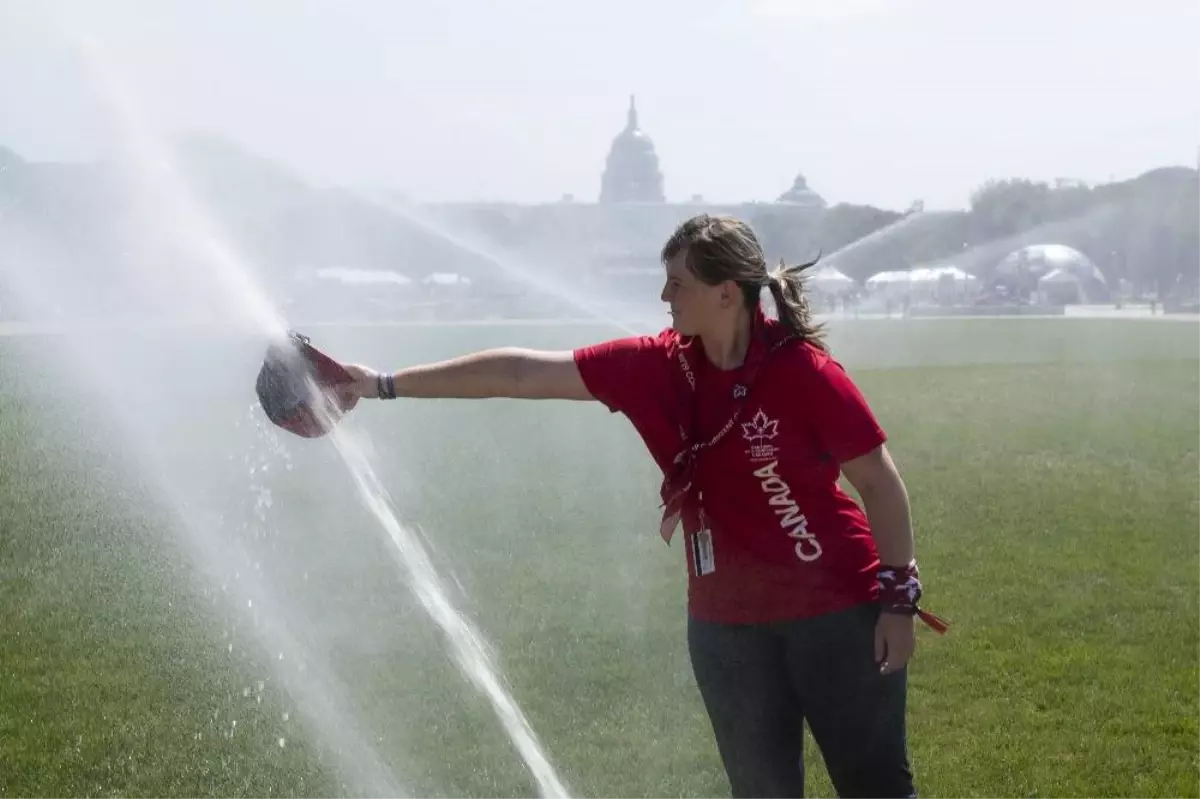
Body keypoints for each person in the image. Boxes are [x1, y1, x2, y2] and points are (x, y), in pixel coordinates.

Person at [335, 214, 947, 798]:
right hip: (726, 627)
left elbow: (880, 484)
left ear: (727, 293)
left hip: (837, 614)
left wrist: (897, 603)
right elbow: (522, 373)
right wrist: (381, 383)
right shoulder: (654, 367)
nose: (663, 295)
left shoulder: (806, 374)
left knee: (876, 788)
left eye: (677, 283)